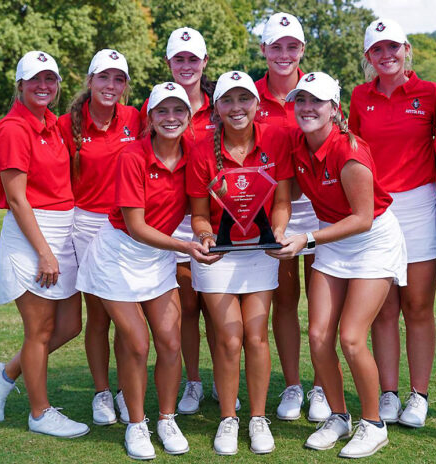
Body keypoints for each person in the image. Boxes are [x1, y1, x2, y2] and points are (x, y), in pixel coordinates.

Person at [76, 82, 219, 459]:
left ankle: (166, 418)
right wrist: (186, 246)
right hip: (118, 256)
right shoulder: (132, 156)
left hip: (157, 256)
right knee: (137, 343)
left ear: (189, 117)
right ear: (150, 118)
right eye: (162, 111)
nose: (171, 118)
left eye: (178, 111)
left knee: (170, 342)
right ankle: (137, 425)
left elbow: (203, 209)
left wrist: (204, 234)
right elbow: (136, 226)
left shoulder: (196, 154)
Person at [270, 71, 407, 458]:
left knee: (350, 336)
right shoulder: (295, 144)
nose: (307, 108)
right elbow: (283, 198)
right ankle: (339, 415)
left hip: (371, 240)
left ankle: (373, 424)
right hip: (333, 237)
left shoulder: (349, 152)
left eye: (317, 101)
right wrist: (280, 233)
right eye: (301, 101)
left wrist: (307, 239)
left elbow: (363, 218)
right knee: (318, 336)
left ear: (335, 108)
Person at [186, 70, 292, 455]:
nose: (236, 108)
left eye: (243, 99)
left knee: (255, 335)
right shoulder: (201, 150)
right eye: (228, 101)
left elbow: (281, 203)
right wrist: (205, 236)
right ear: (216, 109)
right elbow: (199, 215)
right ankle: (229, 419)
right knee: (230, 338)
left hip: (261, 253)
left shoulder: (276, 140)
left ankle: (258, 418)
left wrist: (278, 231)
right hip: (220, 256)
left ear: (256, 103)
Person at [0, 50, 89, 438]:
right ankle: (40, 413)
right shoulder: (13, 129)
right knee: (40, 331)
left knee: (70, 325)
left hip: (63, 230)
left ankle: (6, 372)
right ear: (20, 85)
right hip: (34, 233)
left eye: (50, 80)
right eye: (35, 80)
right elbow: (16, 198)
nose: (44, 86)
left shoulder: (52, 124)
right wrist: (44, 251)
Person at [349, 18, 436, 428]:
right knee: (383, 310)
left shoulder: (430, 93)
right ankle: (388, 393)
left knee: (417, 305)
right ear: (368, 57)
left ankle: (418, 395)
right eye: (377, 50)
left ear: (406, 49)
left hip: (420, 205)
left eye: (393, 48)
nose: (386, 56)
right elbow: (349, 152)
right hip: (376, 210)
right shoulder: (359, 96)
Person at [140, 27, 233, 415]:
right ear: (168, 63)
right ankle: (192, 381)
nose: (186, 65)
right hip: (168, 220)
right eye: (179, 58)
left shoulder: (222, 104)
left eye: (193, 58)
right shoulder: (159, 103)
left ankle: (219, 379)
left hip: (209, 217)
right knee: (187, 306)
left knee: (214, 304)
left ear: (205, 62)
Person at [58, 48, 140, 426]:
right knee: (99, 317)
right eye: (104, 77)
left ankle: (126, 391)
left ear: (125, 86)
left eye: (118, 79)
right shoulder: (66, 125)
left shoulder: (135, 118)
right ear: (90, 81)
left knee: (126, 313)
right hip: (87, 226)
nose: (111, 85)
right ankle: (102, 392)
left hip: (127, 225)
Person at [256, 11, 330, 423]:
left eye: (292, 47)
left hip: (319, 210)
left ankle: (321, 386)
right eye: (276, 47)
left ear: (302, 49)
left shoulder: (317, 90)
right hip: (274, 210)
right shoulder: (250, 94)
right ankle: (292, 384)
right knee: (284, 301)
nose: (284, 55)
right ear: (264, 49)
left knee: (321, 305)